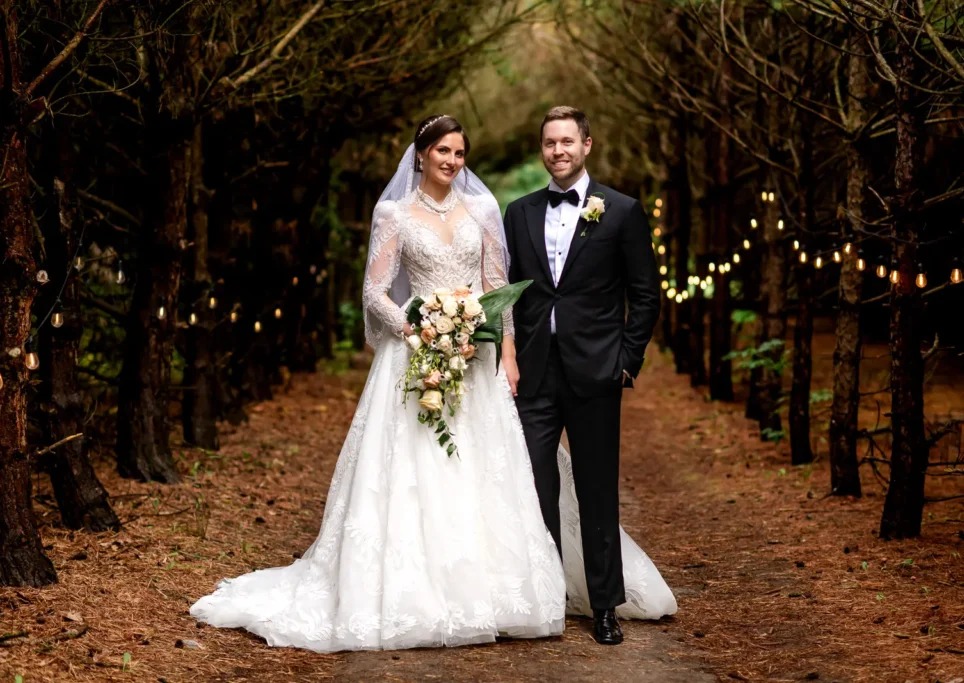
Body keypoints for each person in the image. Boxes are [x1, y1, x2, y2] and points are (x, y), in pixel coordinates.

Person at [189, 115, 675, 652]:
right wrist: (421, 328)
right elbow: (391, 292)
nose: (451, 160)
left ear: (586, 144)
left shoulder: (514, 210)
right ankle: (500, 593)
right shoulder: (446, 212)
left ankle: (594, 604)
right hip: (440, 359)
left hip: (523, 363)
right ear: (420, 154)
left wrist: (533, 355)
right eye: (442, 150)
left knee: (571, 486)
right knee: (486, 480)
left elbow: (508, 290)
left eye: (459, 152)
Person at [504, 106, 663, 645]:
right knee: (536, 487)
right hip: (534, 374)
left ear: (587, 145)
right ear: (542, 149)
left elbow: (645, 293)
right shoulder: (518, 212)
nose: (558, 151)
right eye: (550, 143)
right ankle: (547, 598)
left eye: (568, 141)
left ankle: (603, 607)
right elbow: (512, 292)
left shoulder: (621, 211)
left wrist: (627, 360)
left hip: (597, 371)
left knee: (597, 492)